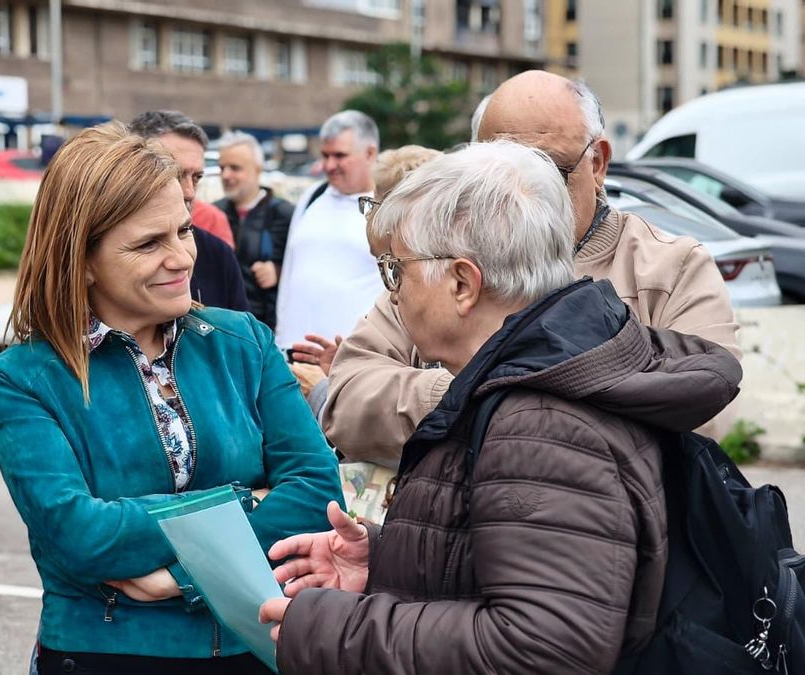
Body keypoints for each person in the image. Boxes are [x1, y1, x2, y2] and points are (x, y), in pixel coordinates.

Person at [258, 140, 742, 674]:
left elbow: (543, 649)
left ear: (463, 284)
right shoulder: (547, 380)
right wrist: (385, 564)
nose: (392, 292)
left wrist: (334, 628)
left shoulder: (538, 424)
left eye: (397, 269)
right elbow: (528, 571)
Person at [0, 122, 341, 675]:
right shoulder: (22, 378)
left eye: (183, 230)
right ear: (80, 259)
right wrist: (248, 499)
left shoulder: (242, 341)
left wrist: (182, 577)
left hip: (253, 646)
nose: (181, 258)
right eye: (149, 243)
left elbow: (318, 489)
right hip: (105, 654)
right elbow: (80, 535)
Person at [322, 71, 740, 465]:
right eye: (499, 166)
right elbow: (347, 399)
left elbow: (702, 423)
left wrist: (486, 402)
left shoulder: (672, 267)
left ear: (598, 164)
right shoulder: (434, 260)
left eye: (550, 168)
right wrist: (473, 395)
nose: (523, 184)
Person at [287, 144, 441, 417]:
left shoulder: (439, 296)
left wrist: (326, 390)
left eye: (395, 267)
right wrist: (351, 366)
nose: (394, 292)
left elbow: (419, 411)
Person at [275, 110, 382, 350]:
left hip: (351, 361)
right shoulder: (312, 197)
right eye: (325, 155)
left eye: (339, 156)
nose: (329, 165)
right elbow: (289, 273)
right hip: (291, 354)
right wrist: (280, 339)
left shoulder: (386, 206)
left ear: (370, 153)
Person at [128, 111, 249, 312]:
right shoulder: (95, 248)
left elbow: (242, 339)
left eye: (196, 177)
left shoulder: (218, 256)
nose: (189, 192)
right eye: (174, 174)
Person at [214, 131, 294, 329]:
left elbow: (308, 269)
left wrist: (279, 271)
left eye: (235, 168)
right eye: (222, 167)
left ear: (257, 169)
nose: (226, 175)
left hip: (266, 329)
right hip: (222, 327)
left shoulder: (285, 215)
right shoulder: (214, 213)